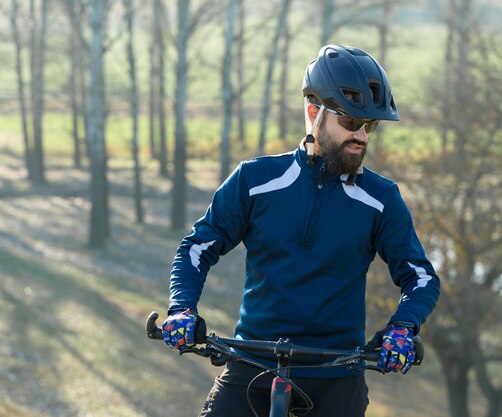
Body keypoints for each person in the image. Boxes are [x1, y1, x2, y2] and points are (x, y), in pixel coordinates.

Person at [161, 44, 440, 417]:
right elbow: (197, 249)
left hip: (338, 370)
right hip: (254, 360)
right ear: (314, 113)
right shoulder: (254, 180)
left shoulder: (381, 199)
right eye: (352, 122)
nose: (363, 136)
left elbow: (420, 277)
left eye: (369, 125)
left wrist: (402, 328)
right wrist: (182, 309)